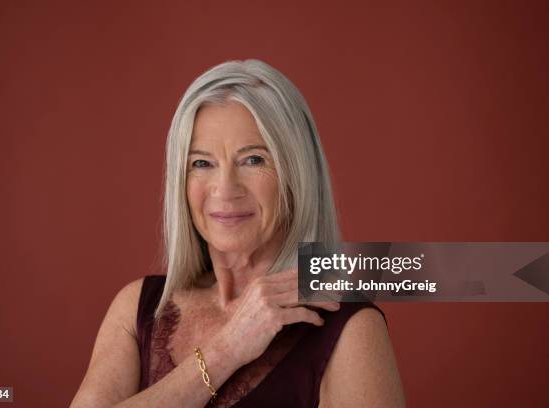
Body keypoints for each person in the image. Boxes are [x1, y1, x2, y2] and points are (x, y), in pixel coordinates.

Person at [70, 59, 405, 407]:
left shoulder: (352, 329)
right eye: (202, 163)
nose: (225, 189)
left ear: (297, 175)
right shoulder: (137, 308)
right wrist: (227, 350)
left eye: (254, 160)